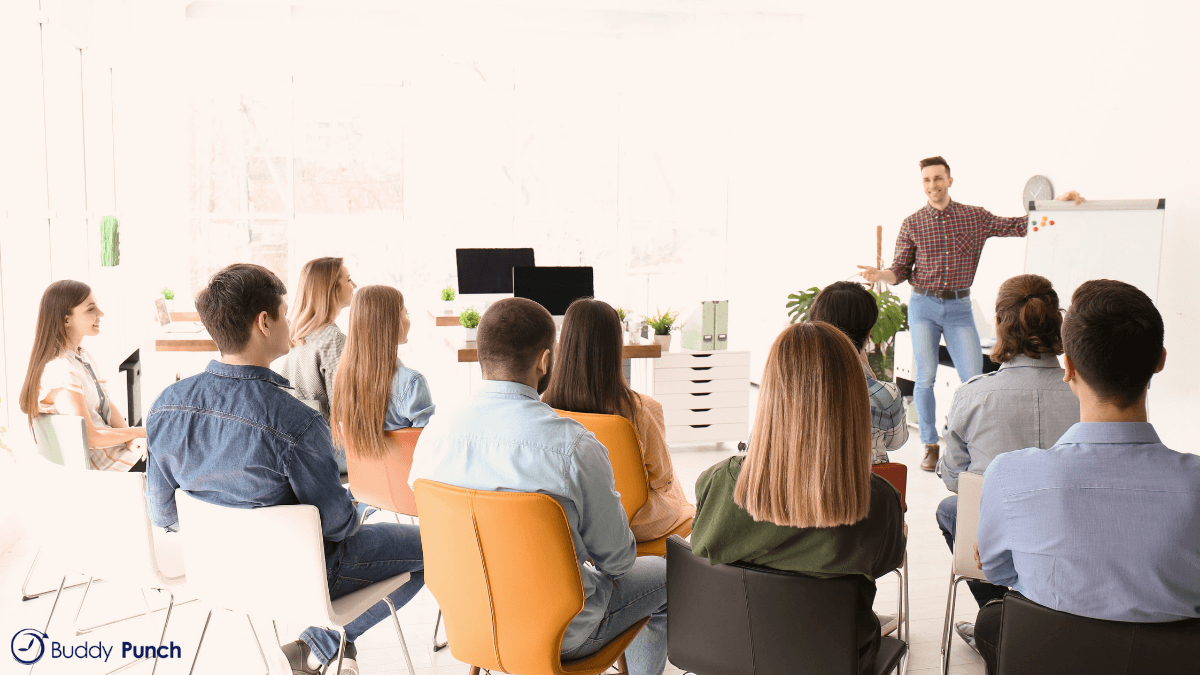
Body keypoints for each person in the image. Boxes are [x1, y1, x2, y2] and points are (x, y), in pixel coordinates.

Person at [145, 264, 423, 675]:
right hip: (302, 575)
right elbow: (338, 528)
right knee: (434, 546)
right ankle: (321, 642)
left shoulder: (166, 405)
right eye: (284, 311)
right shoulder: (297, 422)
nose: (291, 321)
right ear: (264, 322)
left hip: (217, 571)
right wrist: (355, 509)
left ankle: (323, 648)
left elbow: (163, 513)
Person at [409, 298, 668, 675]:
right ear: (545, 361)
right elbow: (618, 561)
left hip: (469, 625)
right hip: (563, 634)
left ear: (481, 355)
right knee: (671, 575)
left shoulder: (434, 434)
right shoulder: (573, 447)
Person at [972, 279, 1200, 674]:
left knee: (991, 620)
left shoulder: (1009, 475)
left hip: (1050, 656)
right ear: (1159, 360)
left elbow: (998, 571)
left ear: (1070, 367)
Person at [690, 322, 906, 675]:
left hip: (733, 658)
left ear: (770, 391)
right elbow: (886, 563)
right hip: (834, 661)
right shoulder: (879, 501)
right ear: (852, 399)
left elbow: (701, 549)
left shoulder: (717, 482)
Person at [857, 156, 1084, 471]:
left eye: (938, 178)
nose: (933, 185)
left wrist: (1055, 205)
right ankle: (930, 445)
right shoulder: (912, 223)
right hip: (923, 305)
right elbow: (899, 270)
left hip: (959, 307)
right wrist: (879, 275)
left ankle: (963, 439)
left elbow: (1018, 226)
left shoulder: (974, 217)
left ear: (950, 180)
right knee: (924, 378)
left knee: (974, 379)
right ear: (922, 184)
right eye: (927, 180)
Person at [933, 274, 1080, 650]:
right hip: (1071, 543)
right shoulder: (1087, 394)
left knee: (950, 509)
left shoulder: (973, 395)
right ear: (1058, 323)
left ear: (1000, 324)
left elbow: (955, 479)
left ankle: (1001, 616)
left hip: (998, 547)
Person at [541, 298, 695, 543]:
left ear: (565, 343)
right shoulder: (641, 410)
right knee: (678, 493)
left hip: (572, 521)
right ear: (615, 347)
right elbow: (661, 479)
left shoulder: (543, 406)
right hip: (631, 522)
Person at [19, 280, 146, 471]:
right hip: (108, 468)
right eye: (91, 309)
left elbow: (106, 404)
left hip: (119, 452)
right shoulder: (60, 372)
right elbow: (90, 437)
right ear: (66, 319)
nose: (100, 314)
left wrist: (132, 439)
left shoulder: (81, 356)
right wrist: (144, 431)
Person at [330, 285, 434, 464]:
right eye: (405, 314)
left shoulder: (343, 378)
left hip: (363, 489)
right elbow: (430, 449)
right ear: (391, 323)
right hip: (407, 487)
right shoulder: (411, 382)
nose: (408, 321)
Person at [807, 281, 908, 463]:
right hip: (864, 491)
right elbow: (895, 442)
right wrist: (870, 374)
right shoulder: (884, 395)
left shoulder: (785, 386)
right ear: (868, 334)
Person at [273, 256, 357, 422]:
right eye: (348, 280)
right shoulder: (333, 339)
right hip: (323, 441)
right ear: (331, 288)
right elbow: (342, 412)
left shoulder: (298, 335)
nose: (354, 285)